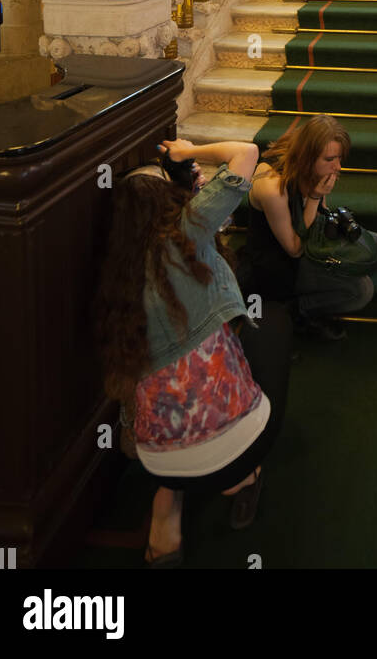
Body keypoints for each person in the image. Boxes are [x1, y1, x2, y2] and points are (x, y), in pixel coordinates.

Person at [94, 138, 293, 567]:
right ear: (168, 200)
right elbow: (246, 153)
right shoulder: (186, 231)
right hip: (241, 450)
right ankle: (246, 477)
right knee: (272, 322)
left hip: (156, 460)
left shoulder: (116, 279)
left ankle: (165, 522)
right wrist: (189, 150)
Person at [239, 114, 377, 341]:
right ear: (306, 158)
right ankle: (296, 310)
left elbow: (319, 214)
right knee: (361, 291)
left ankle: (333, 278)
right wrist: (314, 196)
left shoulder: (311, 166)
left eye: (339, 158)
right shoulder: (272, 188)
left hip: (308, 240)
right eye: (330, 159)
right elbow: (294, 249)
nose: (338, 166)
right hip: (280, 264)